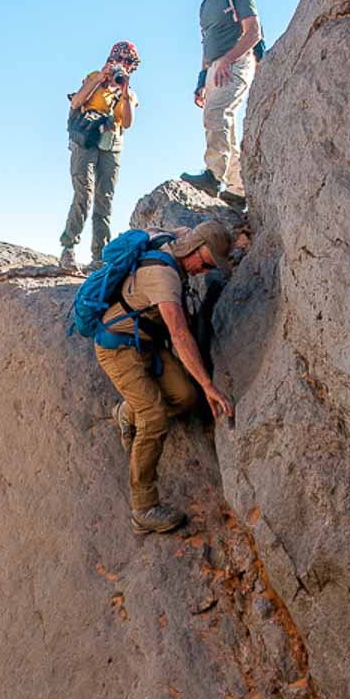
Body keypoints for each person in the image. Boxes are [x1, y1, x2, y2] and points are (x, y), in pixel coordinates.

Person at [95, 220, 236, 534]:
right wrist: (208, 385)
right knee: (154, 417)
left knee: (185, 397)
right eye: (207, 262)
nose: (205, 270)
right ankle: (143, 509)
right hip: (118, 346)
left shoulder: (179, 238)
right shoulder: (163, 276)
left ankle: (126, 410)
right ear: (195, 249)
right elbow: (180, 334)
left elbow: (181, 229)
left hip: (146, 341)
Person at [182, 0, 259, 208]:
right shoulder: (205, 5)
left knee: (217, 115)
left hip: (236, 62)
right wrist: (201, 79)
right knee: (227, 124)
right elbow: (207, 45)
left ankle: (213, 177)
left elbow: (253, 32)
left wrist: (229, 59)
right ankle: (238, 190)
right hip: (215, 66)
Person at [59, 41, 141, 270]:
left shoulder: (129, 93)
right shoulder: (95, 78)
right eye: (119, 60)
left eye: (127, 62)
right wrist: (99, 79)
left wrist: (124, 91)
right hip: (86, 142)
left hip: (112, 146)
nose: (122, 65)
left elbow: (127, 122)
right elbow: (77, 102)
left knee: (104, 199)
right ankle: (69, 248)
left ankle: (100, 256)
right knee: (83, 193)